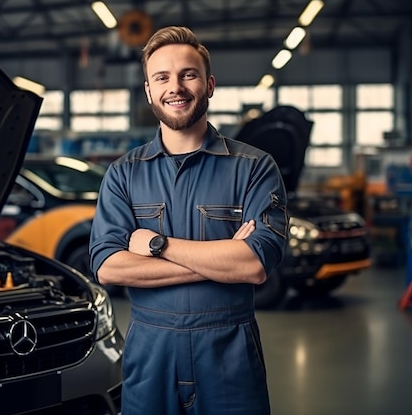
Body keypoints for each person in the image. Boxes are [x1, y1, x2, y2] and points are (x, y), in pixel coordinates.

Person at [89, 25, 289, 415]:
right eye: (161, 77)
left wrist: (156, 246)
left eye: (188, 74)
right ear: (148, 90)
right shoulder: (124, 174)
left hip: (229, 353)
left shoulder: (253, 168)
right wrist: (224, 260)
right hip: (151, 351)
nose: (175, 87)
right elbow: (109, 268)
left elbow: (254, 264)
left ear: (209, 84)